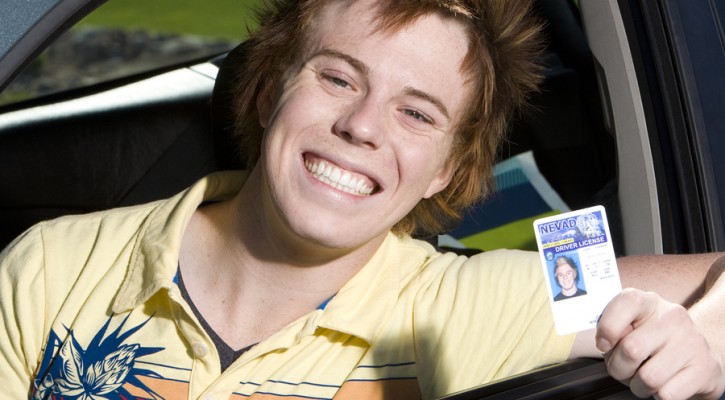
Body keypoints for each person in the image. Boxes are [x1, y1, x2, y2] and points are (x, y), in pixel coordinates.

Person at [1, 0, 724, 399]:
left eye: (417, 113)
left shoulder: (460, 308)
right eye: (338, 78)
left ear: (448, 168)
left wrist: (701, 346)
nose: (361, 126)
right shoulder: (51, 266)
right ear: (266, 89)